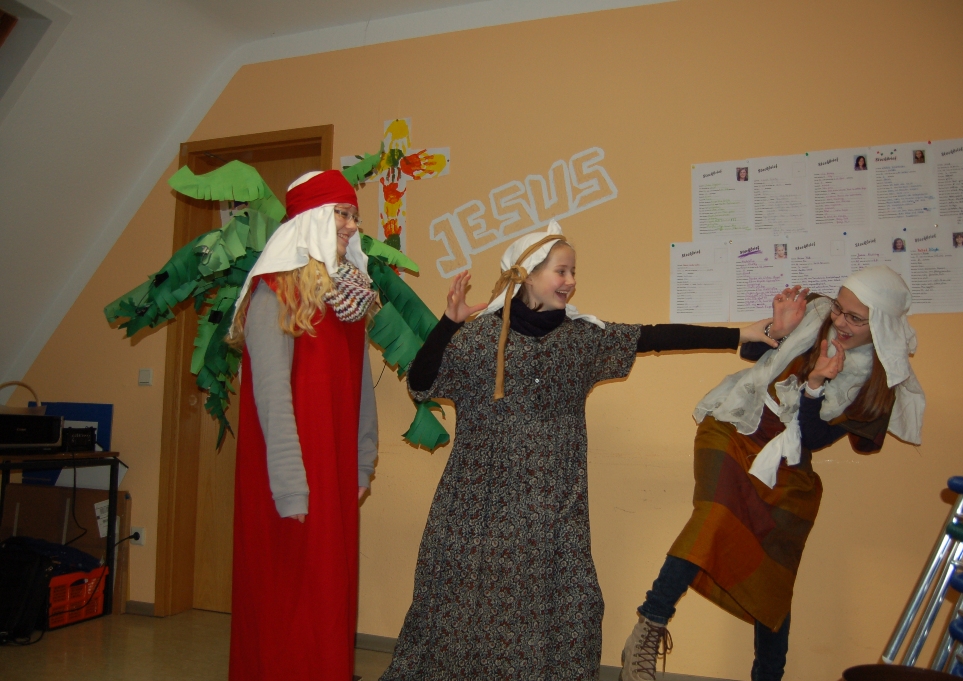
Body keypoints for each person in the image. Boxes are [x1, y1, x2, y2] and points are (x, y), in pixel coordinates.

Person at [380, 221, 778, 681]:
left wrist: (738, 335)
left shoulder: (583, 339)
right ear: (528, 275)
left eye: (573, 272)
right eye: (561, 271)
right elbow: (421, 383)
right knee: (466, 608)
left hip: (555, 507)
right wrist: (449, 324)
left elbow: (652, 337)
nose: (570, 281)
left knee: (570, 606)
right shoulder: (479, 339)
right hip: (479, 506)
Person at [619, 267, 925, 681]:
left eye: (855, 318)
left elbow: (813, 438)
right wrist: (778, 332)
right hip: (734, 423)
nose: (839, 320)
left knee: (774, 578)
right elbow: (755, 356)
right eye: (839, 308)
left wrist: (815, 385)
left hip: (785, 454)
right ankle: (650, 626)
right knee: (715, 513)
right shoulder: (816, 312)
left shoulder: (875, 379)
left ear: (881, 326)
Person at [226, 170, 379, 681]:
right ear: (312, 219)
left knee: (328, 603)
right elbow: (271, 397)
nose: (352, 226)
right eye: (342, 214)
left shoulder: (349, 298)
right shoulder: (274, 293)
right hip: (290, 479)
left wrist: (362, 462)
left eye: (354, 215)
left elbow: (361, 391)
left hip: (334, 475)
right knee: (287, 609)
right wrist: (292, 487)